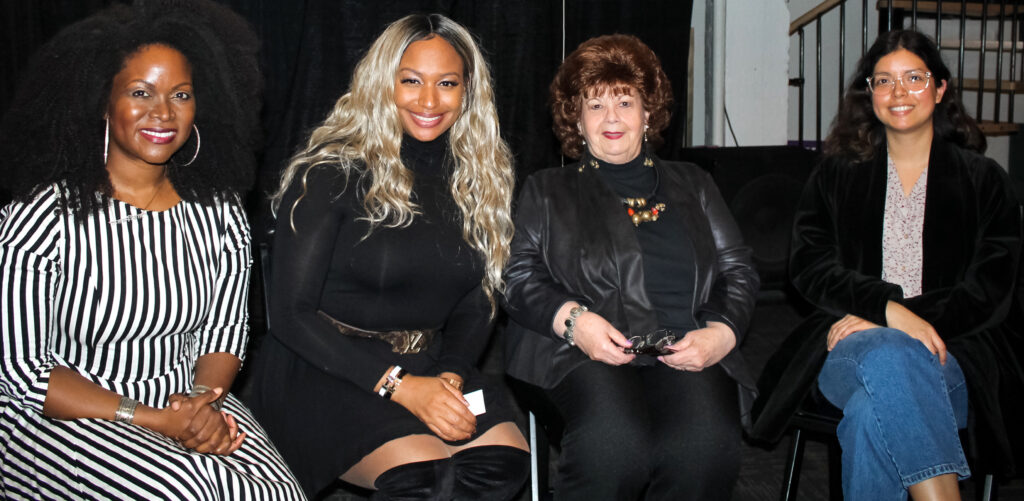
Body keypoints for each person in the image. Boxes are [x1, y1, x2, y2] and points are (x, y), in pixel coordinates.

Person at [0, 1, 305, 499]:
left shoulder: (219, 214)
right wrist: (153, 419)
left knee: (275, 492)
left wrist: (203, 402)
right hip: (63, 413)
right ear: (103, 101)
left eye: (180, 95)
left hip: (187, 399)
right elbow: (24, 375)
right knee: (187, 492)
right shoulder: (43, 216)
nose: (162, 112)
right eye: (140, 92)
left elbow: (225, 332)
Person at [246, 13, 530, 500]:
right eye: (411, 81)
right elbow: (290, 316)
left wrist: (450, 375)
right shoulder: (330, 172)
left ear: (467, 92)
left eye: (447, 83)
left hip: (428, 360)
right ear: (384, 82)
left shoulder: (480, 179)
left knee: (499, 466)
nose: (428, 100)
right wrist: (400, 387)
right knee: (425, 477)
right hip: (323, 365)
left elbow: (477, 301)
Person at [750, 29, 1024, 500]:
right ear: (869, 94)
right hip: (847, 350)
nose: (899, 93)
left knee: (868, 417)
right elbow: (810, 266)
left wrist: (901, 318)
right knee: (886, 353)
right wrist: (888, 311)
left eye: (914, 78)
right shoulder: (838, 171)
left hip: (951, 354)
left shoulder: (984, 181)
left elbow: (988, 291)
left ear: (940, 89)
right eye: (883, 81)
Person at [502, 34, 759, 500]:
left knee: (705, 451)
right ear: (577, 120)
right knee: (616, 448)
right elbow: (517, 278)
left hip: (685, 344)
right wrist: (575, 322)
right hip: (579, 350)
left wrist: (722, 333)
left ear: (648, 113)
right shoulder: (547, 189)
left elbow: (738, 270)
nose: (612, 117)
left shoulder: (694, 182)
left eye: (625, 101)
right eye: (595, 105)